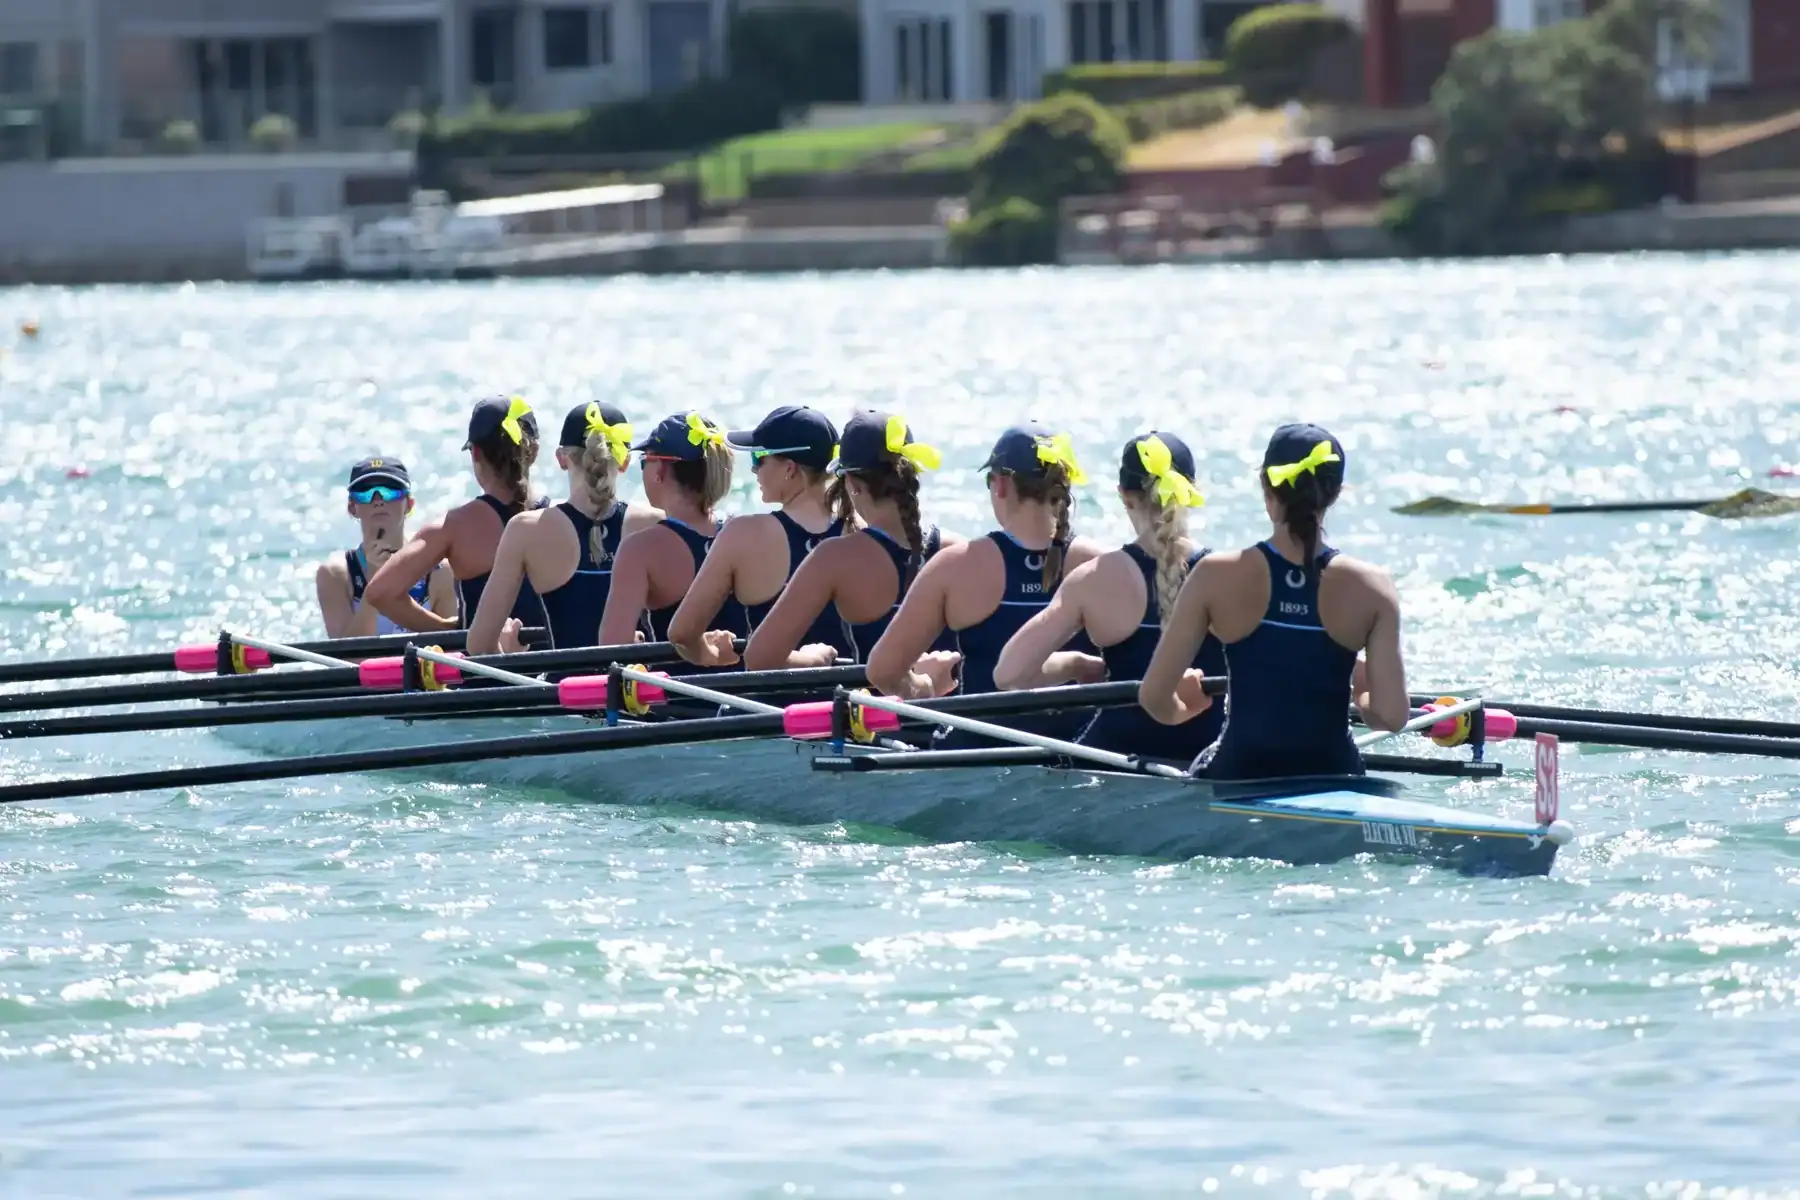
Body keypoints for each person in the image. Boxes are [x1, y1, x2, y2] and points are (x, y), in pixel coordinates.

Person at [1139, 423, 1408, 779]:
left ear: (1267, 487)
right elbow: (1391, 716)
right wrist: (1362, 697)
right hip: (1334, 774)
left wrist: (1183, 710)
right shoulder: (1374, 587)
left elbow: (1154, 696)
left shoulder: (1214, 574)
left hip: (1238, 772)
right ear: (1335, 493)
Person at [865, 422, 1105, 742]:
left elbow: (882, 670)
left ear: (1001, 485)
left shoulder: (956, 566)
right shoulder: (1102, 565)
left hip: (979, 760)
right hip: (1083, 754)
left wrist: (921, 688)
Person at [993, 431, 1224, 761]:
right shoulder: (1227, 576)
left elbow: (1008, 674)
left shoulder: (1094, 579)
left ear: (1124, 496)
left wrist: (1076, 664)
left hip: (1114, 763)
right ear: (1190, 491)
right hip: (1209, 759)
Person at [743, 409, 963, 670]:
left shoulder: (834, 557)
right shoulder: (960, 551)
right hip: (944, 710)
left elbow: (758, 658)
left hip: (878, 709)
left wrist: (811, 659)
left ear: (852, 483)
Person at [667, 404, 857, 669]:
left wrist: (709, 654)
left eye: (759, 459)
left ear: (790, 468)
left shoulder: (743, 535)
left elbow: (682, 633)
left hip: (769, 705)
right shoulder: (860, 531)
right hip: (848, 705)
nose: (754, 470)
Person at [467, 401, 663, 654]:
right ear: (624, 461)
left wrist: (509, 653)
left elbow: (479, 645)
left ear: (561, 458)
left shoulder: (526, 530)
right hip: (637, 688)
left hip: (566, 690)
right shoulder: (655, 524)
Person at [364, 394, 550, 634]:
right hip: (560, 667)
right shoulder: (561, 518)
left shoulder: (454, 527)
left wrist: (450, 630)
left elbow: (380, 593)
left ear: (475, 454)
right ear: (534, 451)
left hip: (489, 668)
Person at [594, 410, 737, 656]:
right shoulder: (741, 534)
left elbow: (611, 650)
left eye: (644, 462)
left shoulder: (640, 549)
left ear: (660, 470)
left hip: (677, 691)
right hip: (743, 690)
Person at [314, 455, 455, 637]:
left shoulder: (439, 571)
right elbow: (349, 659)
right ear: (352, 507)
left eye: (390, 491)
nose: (378, 500)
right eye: (366, 493)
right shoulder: (334, 575)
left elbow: (451, 648)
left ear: (409, 505)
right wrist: (375, 586)